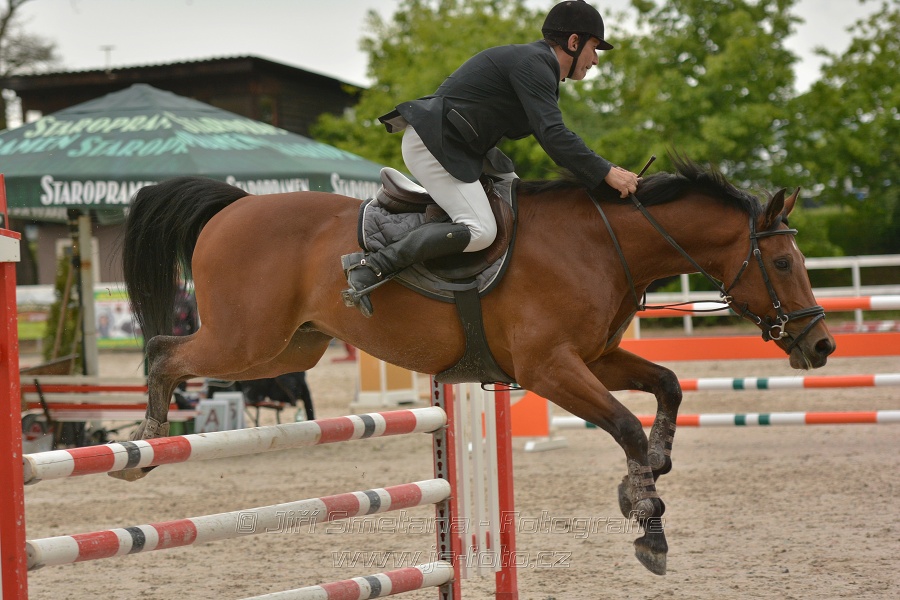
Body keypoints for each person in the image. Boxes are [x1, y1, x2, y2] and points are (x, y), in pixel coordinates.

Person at [341, 0, 640, 316]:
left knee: (519, 201)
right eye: (594, 48)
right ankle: (372, 266)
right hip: (435, 144)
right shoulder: (535, 64)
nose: (595, 60)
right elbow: (553, 136)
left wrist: (602, 172)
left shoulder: (538, 64)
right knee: (481, 230)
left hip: (459, 145)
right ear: (574, 42)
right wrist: (607, 171)